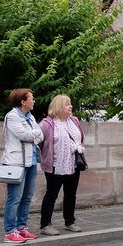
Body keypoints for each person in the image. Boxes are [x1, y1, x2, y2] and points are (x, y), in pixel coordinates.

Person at [0, 88, 44, 243]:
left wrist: (33, 134)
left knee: (27, 198)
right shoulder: (12, 116)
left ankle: (21, 228)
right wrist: (34, 134)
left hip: (31, 161)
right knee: (14, 198)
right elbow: (24, 135)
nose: (34, 101)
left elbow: (41, 134)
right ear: (23, 102)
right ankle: (9, 232)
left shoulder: (30, 116)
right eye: (31, 98)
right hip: (16, 163)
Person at [38, 94, 85, 235]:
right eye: (67, 104)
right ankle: (45, 224)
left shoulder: (75, 121)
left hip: (73, 164)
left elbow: (80, 138)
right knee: (51, 195)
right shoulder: (47, 124)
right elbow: (39, 142)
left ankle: (70, 221)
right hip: (55, 165)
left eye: (70, 103)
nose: (70, 106)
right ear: (58, 106)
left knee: (71, 194)